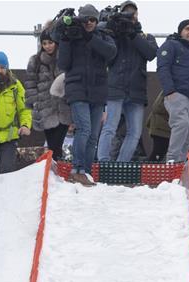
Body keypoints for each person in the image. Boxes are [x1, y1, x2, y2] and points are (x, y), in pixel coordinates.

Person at [54, 3, 116, 185]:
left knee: (94, 134)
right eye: (86, 19)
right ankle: (77, 168)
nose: (89, 23)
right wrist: (66, 38)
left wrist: (89, 37)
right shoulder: (71, 36)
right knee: (84, 129)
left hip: (98, 90)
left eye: (93, 19)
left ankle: (86, 171)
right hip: (77, 88)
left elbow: (111, 53)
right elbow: (64, 64)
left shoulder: (103, 36)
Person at [95, 0, 156, 163]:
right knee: (109, 128)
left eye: (133, 13)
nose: (131, 16)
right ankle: (103, 162)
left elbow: (151, 53)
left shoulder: (145, 36)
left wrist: (132, 34)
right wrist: (115, 30)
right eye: (127, 13)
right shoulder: (113, 34)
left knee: (135, 132)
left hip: (137, 91)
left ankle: (122, 164)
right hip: (115, 88)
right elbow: (108, 56)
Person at [156, 19, 189, 164]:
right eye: (188, 29)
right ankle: (171, 161)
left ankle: (180, 165)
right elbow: (162, 68)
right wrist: (170, 91)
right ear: (181, 31)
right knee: (181, 125)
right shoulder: (171, 45)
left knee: (187, 137)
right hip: (177, 95)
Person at [25, 25, 71, 159]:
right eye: (44, 43)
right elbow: (30, 83)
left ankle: (56, 173)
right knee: (52, 145)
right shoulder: (35, 61)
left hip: (63, 108)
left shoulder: (64, 58)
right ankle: (52, 173)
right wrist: (34, 103)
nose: (48, 46)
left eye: (50, 42)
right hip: (45, 109)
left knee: (58, 144)